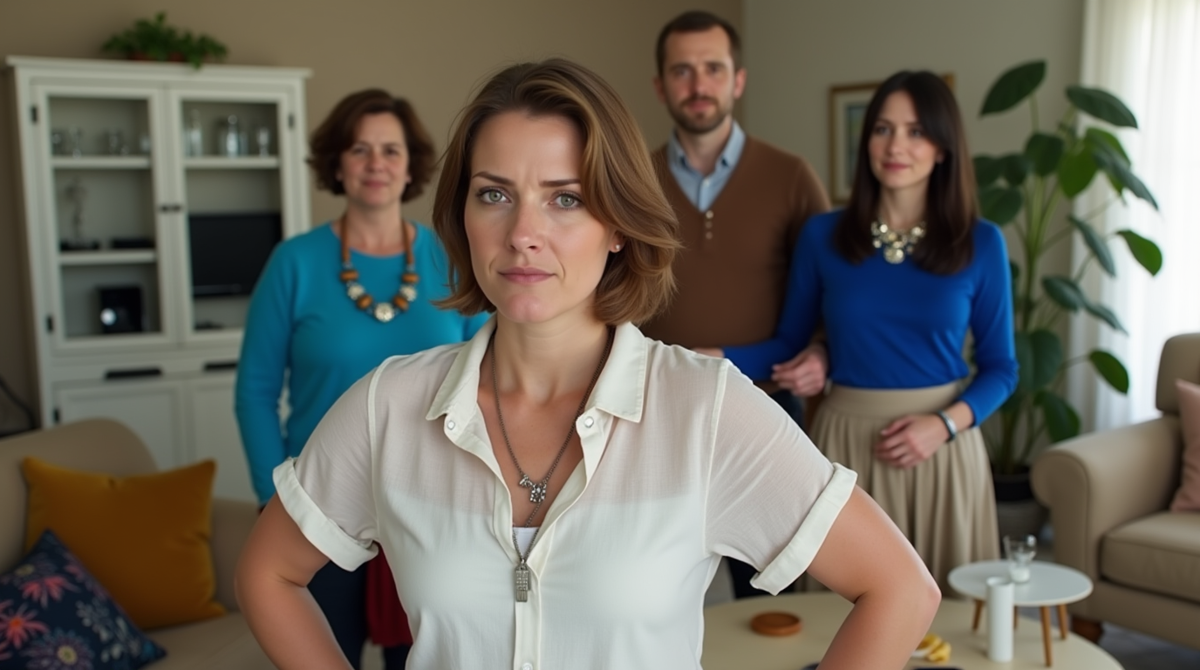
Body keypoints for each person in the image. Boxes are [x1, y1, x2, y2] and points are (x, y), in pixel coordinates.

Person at [235, 58, 939, 670]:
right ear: (462, 217)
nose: (523, 234)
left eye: (565, 198)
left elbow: (900, 590)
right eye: (494, 194)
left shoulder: (705, 410)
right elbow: (267, 575)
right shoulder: (388, 404)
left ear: (618, 226)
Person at [711, 70, 1019, 592]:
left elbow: (1001, 369)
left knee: (947, 615)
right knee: (836, 618)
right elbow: (788, 346)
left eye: (916, 132)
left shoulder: (981, 243)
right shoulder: (822, 236)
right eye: (882, 129)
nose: (896, 145)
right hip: (845, 444)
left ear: (943, 148)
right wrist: (705, 358)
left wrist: (943, 425)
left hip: (942, 448)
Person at [233, 88, 487, 668]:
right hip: (320, 503)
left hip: (431, 504)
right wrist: (273, 498)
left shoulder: (453, 257)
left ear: (411, 166)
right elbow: (254, 392)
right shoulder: (294, 263)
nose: (377, 164)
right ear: (337, 164)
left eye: (391, 150)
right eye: (360, 149)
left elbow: (490, 374)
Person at [644, 8, 831, 600]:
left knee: (769, 602)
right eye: (682, 71)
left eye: (713, 69)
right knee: (656, 595)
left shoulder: (791, 177)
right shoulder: (632, 180)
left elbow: (833, 289)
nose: (698, 84)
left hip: (766, 413)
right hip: (659, 415)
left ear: (738, 80)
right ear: (660, 86)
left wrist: (821, 351)